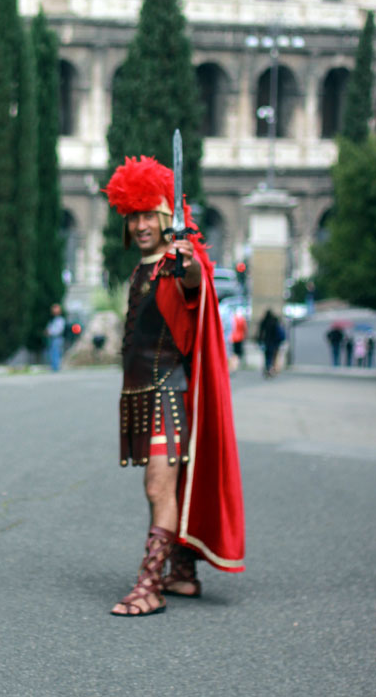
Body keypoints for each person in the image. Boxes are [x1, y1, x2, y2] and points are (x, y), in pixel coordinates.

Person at [103, 155, 245, 617]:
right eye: (133, 216)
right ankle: (182, 571)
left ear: (167, 217)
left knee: (157, 488)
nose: (141, 225)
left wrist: (188, 264)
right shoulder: (142, 268)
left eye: (149, 215)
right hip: (142, 394)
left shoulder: (176, 264)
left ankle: (149, 586)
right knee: (168, 486)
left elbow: (193, 284)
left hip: (169, 393)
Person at [257, 309, 284, 377]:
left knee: (267, 356)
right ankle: (272, 369)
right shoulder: (275, 321)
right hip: (275, 343)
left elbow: (261, 332)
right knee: (273, 356)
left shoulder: (264, 321)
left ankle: (268, 368)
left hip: (267, 342)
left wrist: (260, 341)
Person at [45, 302, 66, 372]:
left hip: (57, 338)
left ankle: (56, 367)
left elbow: (58, 330)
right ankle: (54, 366)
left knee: (56, 352)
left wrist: (50, 332)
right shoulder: (53, 320)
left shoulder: (60, 320)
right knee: (52, 352)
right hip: (52, 338)